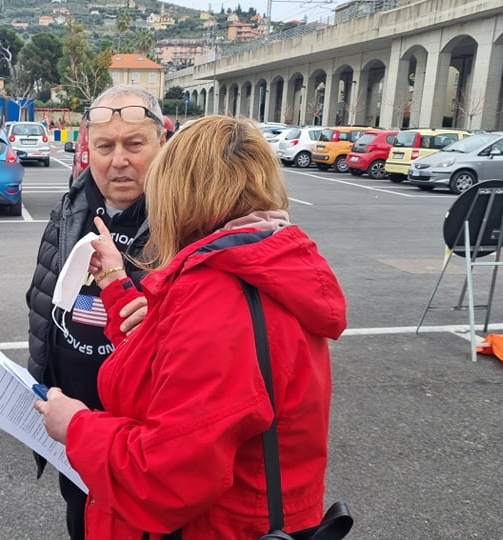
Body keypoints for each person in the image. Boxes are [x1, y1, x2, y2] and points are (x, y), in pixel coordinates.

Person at [35, 116, 348, 539]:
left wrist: (75, 426)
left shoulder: (220, 299)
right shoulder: (252, 266)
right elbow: (169, 364)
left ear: (180, 195)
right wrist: (114, 283)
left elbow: (164, 479)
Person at [25, 85, 166, 540]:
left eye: (134, 144)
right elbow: (43, 303)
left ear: (162, 142)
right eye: (105, 146)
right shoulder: (69, 210)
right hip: (74, 434)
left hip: (138, 446)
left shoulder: (184, 223)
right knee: (81, 521)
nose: (118, 160)